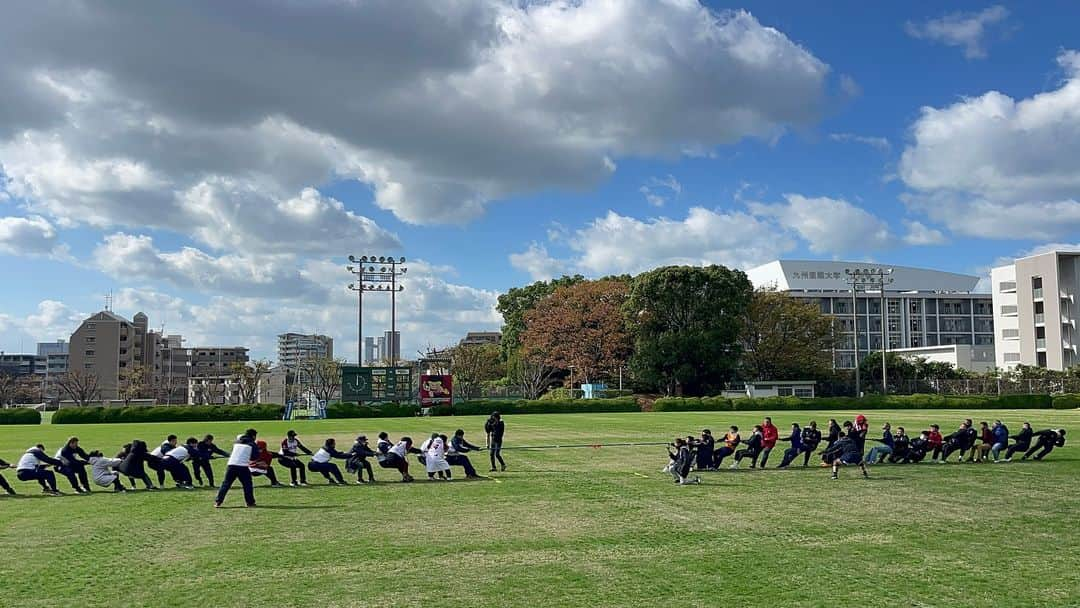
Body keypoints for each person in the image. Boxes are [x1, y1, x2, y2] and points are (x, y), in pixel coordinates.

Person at [215, 430, 258, 508]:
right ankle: (250, 502)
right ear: (254, 436)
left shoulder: (237, 442)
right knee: (247, 485)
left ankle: (218, 501)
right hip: (242, 467)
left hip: (231, 465)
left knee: (226, 484)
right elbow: (255, 457)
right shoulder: (252, 444)